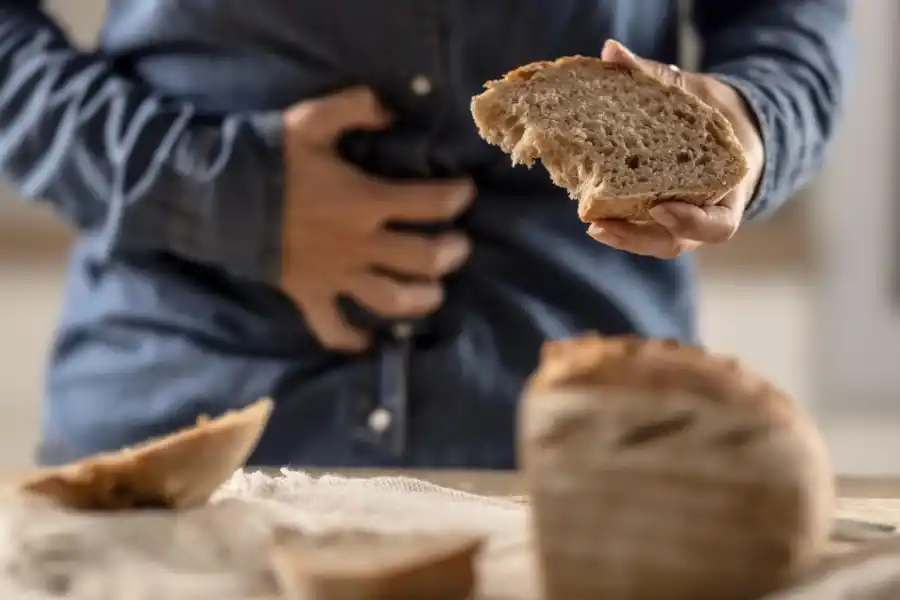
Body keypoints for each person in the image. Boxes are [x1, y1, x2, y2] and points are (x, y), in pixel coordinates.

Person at [0, 1, 850, 468]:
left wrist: (754, 122)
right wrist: (215, 190)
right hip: (179, 432)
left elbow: (791, 18)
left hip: (592, 459)